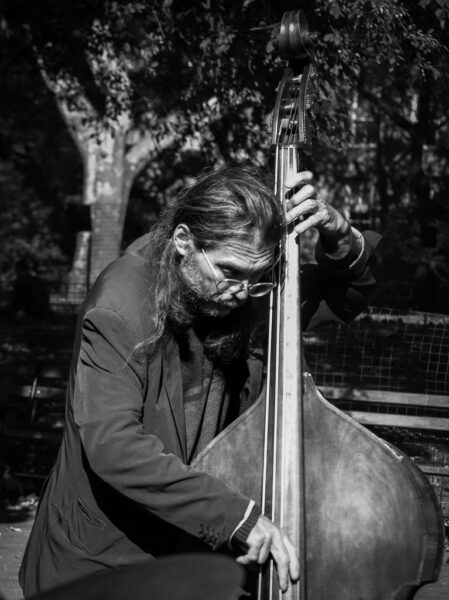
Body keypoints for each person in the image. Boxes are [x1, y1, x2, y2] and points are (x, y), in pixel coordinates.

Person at [19, 165, 380, 597]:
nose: (244, 293)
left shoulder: (242, 285)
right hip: (105, 556)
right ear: (184, 242)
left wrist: (341, 237)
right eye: (230, 272)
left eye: (257, 277)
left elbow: (344, 300)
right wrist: (236, 518)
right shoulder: (120, 306)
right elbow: (114, 445)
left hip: (193, 555)